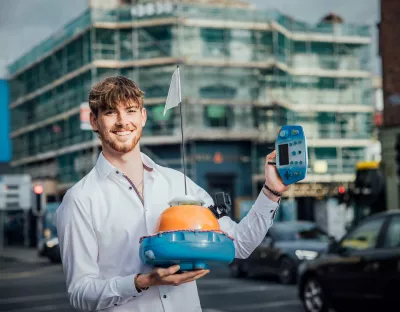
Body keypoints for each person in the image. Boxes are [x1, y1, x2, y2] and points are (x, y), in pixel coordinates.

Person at [55, 76, 289, 312]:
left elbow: (239, 244)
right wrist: (141, 282)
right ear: (94, 121)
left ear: (143, 117)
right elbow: (80, 292)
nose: (122, 121)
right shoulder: (80, 199)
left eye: (130, 111)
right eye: (110, 113)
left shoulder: (178, 183)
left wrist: (271, 192)